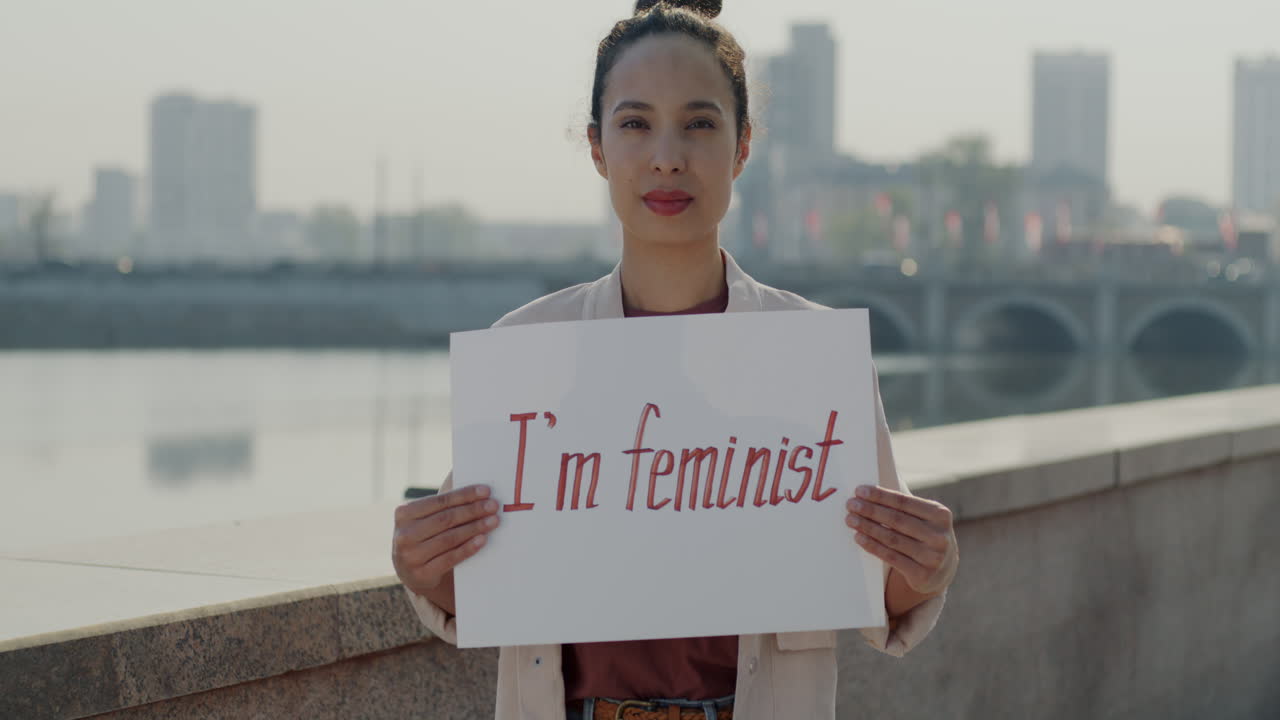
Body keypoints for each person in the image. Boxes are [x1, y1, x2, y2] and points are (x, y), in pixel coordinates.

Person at [391, 1, 960, 718]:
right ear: (597, 148)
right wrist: (422, 564)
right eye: (635, 123)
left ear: (742, 147)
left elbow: (878, 586)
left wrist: (927, 565)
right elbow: (474, 587)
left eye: (699, 124)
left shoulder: (814, 356)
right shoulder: (527, 350)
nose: (667, 156)